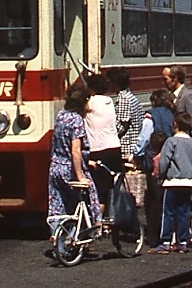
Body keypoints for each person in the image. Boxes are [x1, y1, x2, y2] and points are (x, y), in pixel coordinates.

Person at [150, 111, 192, 254]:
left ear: (175, 125)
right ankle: (183, 242)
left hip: (172, 182)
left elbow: (164, 161)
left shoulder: (171, 142)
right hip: (189, 183)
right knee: (184, 212)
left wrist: (161, 176)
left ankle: (165, 242)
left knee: (169, 212)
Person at [162, 64, 192, 241]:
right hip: (177, 151)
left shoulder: (187, 97)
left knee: (186, 201)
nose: (164, 82)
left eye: (166, 79)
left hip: (185, 153)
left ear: (175, 79)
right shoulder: (174, 97)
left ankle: (188, 233)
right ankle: (189, 231)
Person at [48, 84, 99, 235]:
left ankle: (57, 240)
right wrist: (80, 176)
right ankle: (91, 229)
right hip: (68, 170)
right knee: (87, 197)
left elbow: (59, 143)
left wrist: (86, 160)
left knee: (57, 206)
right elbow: (75, 150)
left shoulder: (61, 115)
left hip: (55, 167)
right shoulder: (76, 120)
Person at [134, 88, 176, 239]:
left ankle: (154, 233)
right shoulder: (172, 116)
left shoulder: (150, 116)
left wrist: (136, 155)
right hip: (170, 158)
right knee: (166, 195)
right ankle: (169, 230)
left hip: (153, 159)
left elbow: (144, 138)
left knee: (152, 198)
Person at [84, 72, 122, 216]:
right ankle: (111, 218)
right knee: (111, 186)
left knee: (99, 188)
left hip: (98, 148)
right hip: (114, 146)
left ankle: (99, 223)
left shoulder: (90, 103)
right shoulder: (109, 101)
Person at [108, 67, 141, 168]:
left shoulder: (123, 100)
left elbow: (122, 126)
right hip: (132, 145)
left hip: (126, 147)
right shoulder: (130, 96)